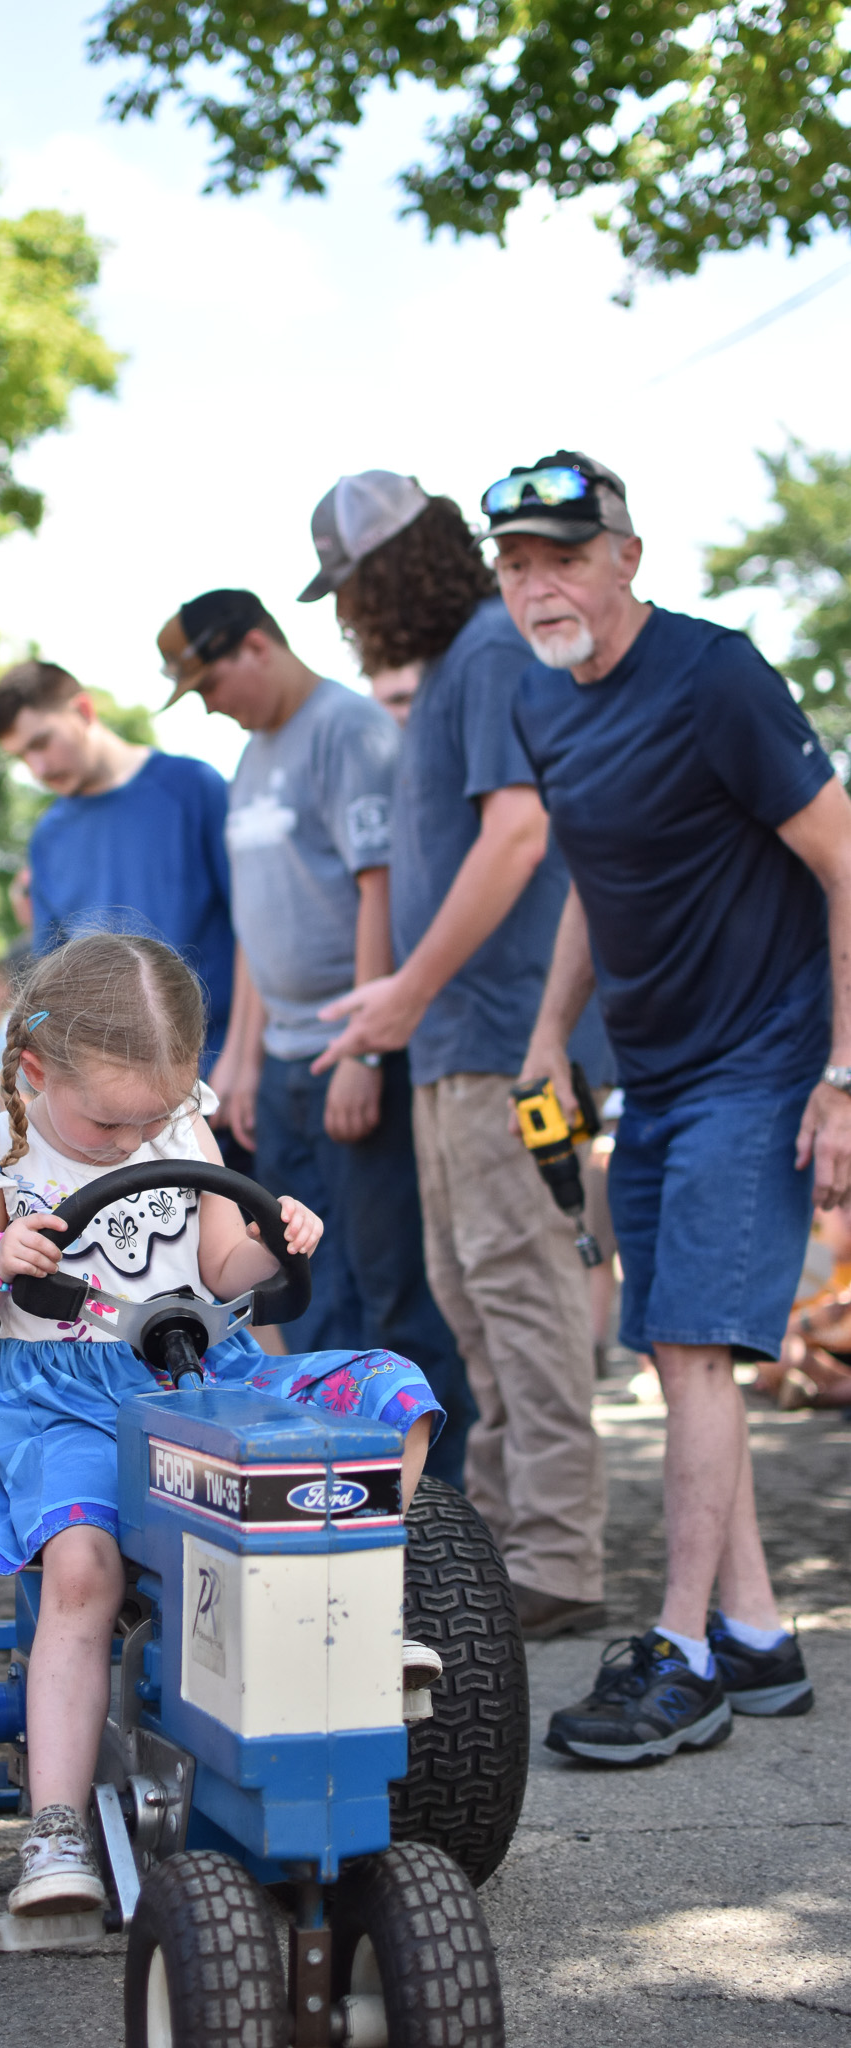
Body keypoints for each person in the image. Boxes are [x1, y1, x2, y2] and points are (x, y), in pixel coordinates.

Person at [0, 932, 444, 1917]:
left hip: (201, 1372)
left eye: (152, 1115)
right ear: (36, 1066)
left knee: (392, 1397)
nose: (130, 1140)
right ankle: (56, 1828)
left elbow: (221, 1269)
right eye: (107, 1119)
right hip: (63, 1398)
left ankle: (362, 1625)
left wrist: (274, 1238)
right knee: (82, 1566)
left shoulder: (183, 1127)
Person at [492, 447, 838, 1758]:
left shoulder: (715, 675)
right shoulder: (549, 706)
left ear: (626, 557)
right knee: (675, 1349)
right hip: (651, 1068)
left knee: (693, 1347)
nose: (540, 585)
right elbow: (594, 875)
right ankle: (753, 1634)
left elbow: (844, 855)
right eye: (518, 565)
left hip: (764, 1060)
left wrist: (844, 1079)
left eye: (564, 556)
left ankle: (680, 1654)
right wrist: (545, 1037)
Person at [304, 472, 611, 1637]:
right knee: (470, 1298)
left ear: (392, 570)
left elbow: (522, 831)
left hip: (506, 1041)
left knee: (522, 1295)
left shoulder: (487, 652)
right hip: (450, 1044)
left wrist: (406, 991)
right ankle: (498, 1541)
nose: (346, 614)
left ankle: (559, 1560)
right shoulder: (451, 668)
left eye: (349, 588)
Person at [155, 588, 469, 1479]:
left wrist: (365, 1049)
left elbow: (381, 887)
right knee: (300, 1283)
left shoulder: (348, 729)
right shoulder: (251, 758)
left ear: (255, 646)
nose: (208, 704)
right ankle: (329, 1491)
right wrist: (243, 1058)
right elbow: (254, 924)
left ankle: (432, 1506)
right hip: (283, 1060)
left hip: (353, 1051)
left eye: (208, 681)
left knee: (388, 1286)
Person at [0, 660, 235, 1064]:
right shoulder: (48, 837)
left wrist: (244, 1054)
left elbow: (254, 929)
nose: (38, 769)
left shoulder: (193, 787)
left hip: (214, 1066)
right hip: (108, 1087)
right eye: (21, 757)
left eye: (41, 743)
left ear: (83, 711)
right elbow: (53, 978)